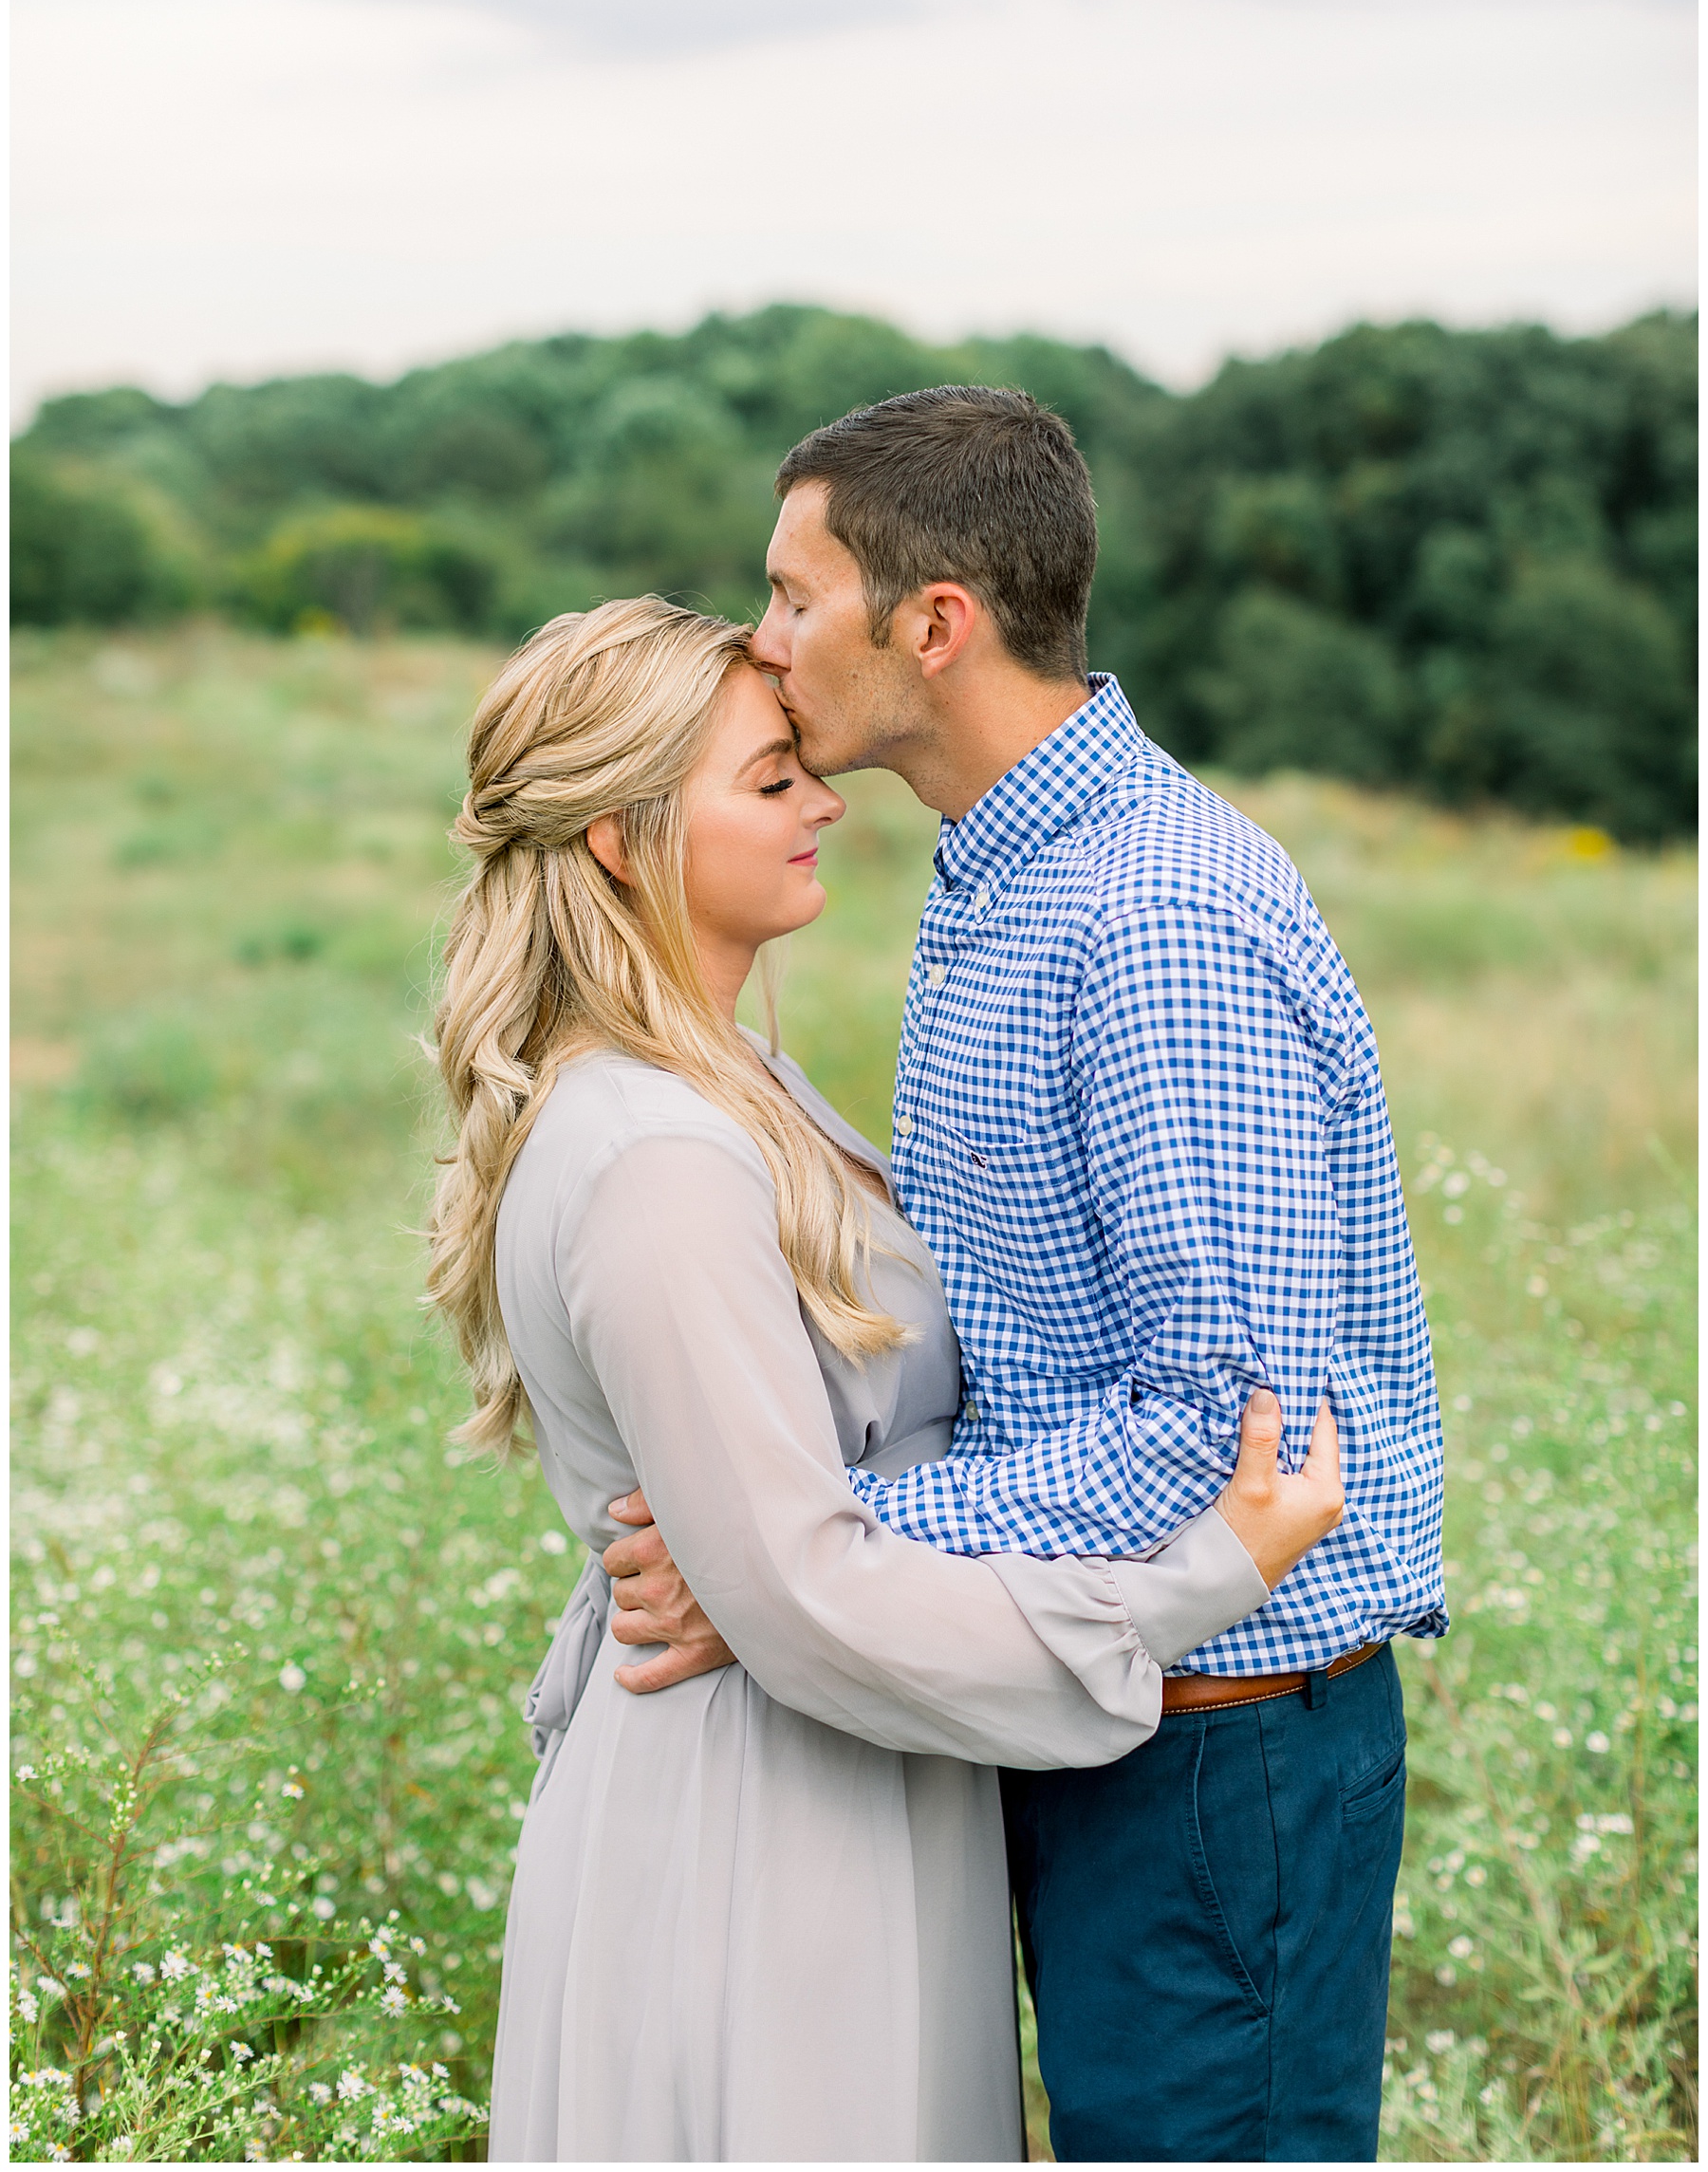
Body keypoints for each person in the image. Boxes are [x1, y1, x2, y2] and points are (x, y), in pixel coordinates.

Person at [606, 387, 1449, 2163]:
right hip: (1085, 1708)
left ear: (934, 623)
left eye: (792, 595)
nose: (762, 642)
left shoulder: (1154, 921)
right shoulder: (1007, 877)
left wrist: (797, 1539)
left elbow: (1213, 1441)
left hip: (1223, 1757)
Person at [426, 595, 1345, 2163]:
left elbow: (786, 1549)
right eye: (768, 779)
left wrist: (777, 1548)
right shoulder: (652, 1152)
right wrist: (1196, 1577)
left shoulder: (733, 1082)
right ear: (624, 841)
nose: (824, 803)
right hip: (758, 1829)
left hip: (848, 1776)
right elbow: (805, 1594)